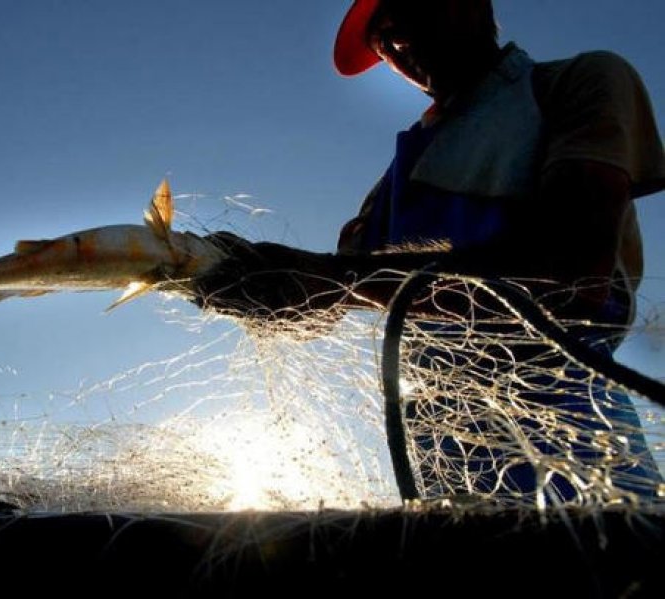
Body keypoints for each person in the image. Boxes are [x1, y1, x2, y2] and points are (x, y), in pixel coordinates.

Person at [191, 0, 665, 503]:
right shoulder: (391, 185)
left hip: (576, 441)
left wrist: (335, 278)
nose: (398, 43)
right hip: (441, 464)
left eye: (411, 11)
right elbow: (322, 301)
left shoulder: (578, 83)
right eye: (383, 39)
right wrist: (233, 276)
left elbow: (570, 278)